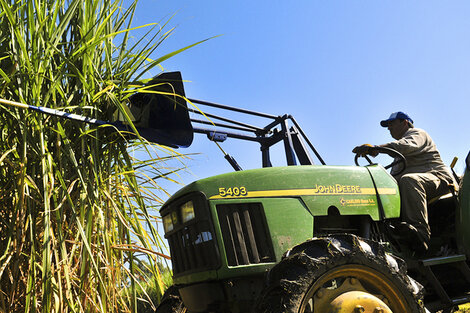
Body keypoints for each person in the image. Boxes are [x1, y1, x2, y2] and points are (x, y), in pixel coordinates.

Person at [353, 111, 457, 252]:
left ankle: (420, 234)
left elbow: (405, 146)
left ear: (405, 122)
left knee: (410, 180)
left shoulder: (417, 134)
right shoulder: (397, 160)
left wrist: (376, 149)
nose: (389, 128)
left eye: (391, 123)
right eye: (387, 125)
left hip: (438, 178)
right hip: (419, 186)